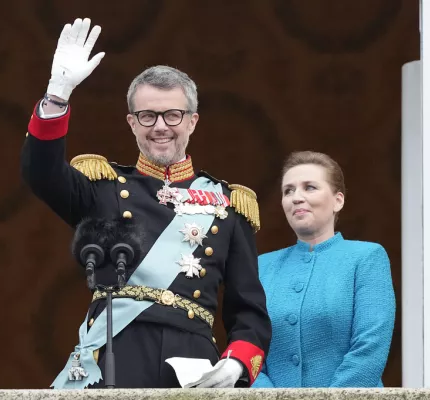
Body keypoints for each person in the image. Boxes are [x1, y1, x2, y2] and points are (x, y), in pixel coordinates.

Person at [20, 17, 271, 389]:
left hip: (194, 361)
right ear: (132, 123)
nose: (160, 126)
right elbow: (40, 173)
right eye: (147, 116)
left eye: (173, 115)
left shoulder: (229, 204)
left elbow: (249, 311)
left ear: (192, 122)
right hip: (118, 351)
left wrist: (236, 364)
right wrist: (57, 95)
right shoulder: (102, 187)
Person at [252, 151, 395, 388]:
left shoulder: (366, 258)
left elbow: (370, 346)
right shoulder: (262, 266)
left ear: (338, 200)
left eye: (309, 187)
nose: (297, 197)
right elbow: (250, 350)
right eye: (288, 190)